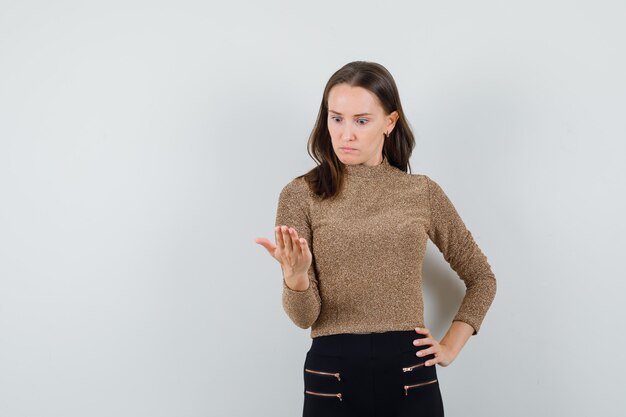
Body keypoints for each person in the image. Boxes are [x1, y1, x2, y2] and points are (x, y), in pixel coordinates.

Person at [255, 61, 497, 417]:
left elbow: (482, 279)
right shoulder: (300, 194)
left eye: (361, 120)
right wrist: (296, 277)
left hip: (409, 372)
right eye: (336, 118)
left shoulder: (421, 192)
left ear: (390, 122)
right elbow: (305, 318)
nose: (345, 134)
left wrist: (449, 347)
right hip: (332, 372)